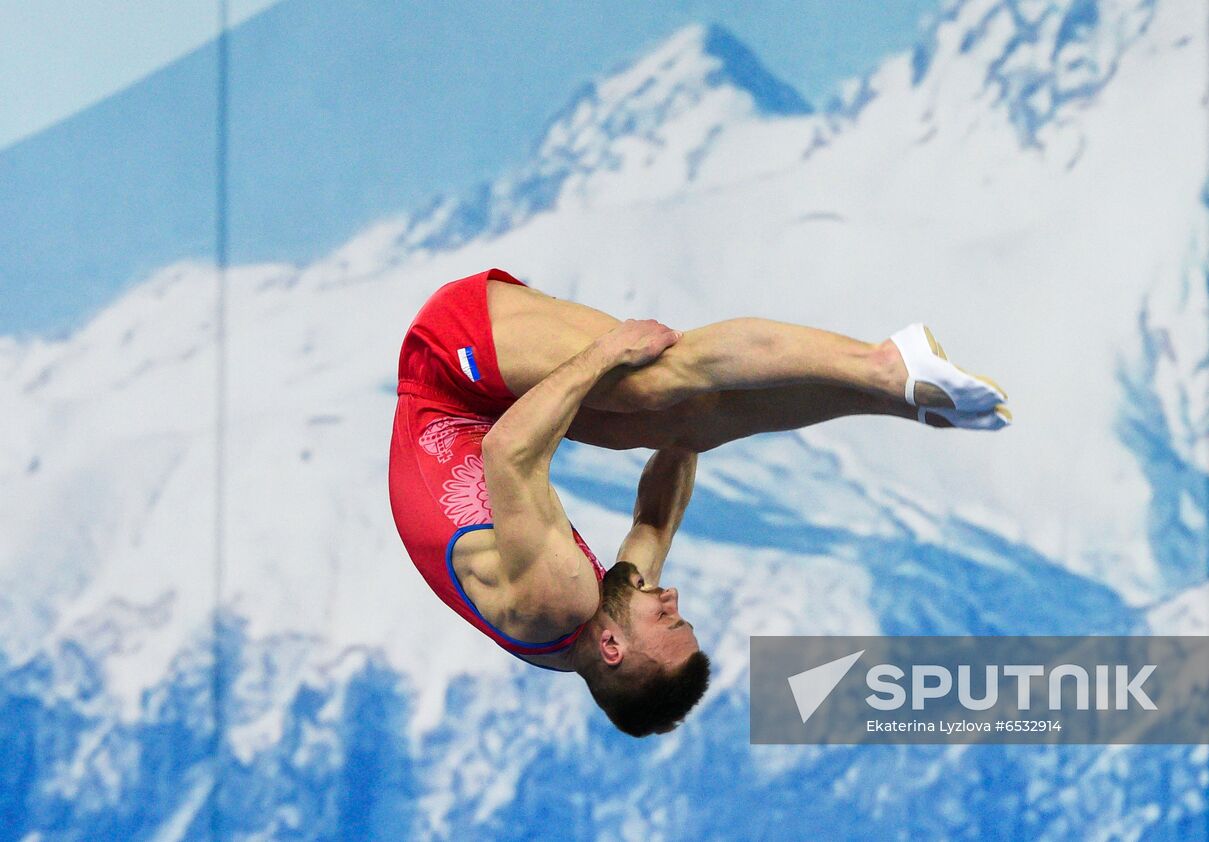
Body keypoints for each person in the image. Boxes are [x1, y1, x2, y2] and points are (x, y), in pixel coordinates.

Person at [388, 268, 1010, 736]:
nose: (671, 599)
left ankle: (882, 362)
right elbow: (653, 522)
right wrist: (691, 437)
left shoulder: (558, 601)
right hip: (487, 408)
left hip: (443, 365)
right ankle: (899, 398)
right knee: (687, 419)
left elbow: (508, 453)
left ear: (613, 649)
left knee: (650, 380)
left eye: (669, 620)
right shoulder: (599, 627)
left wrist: (607, 354)